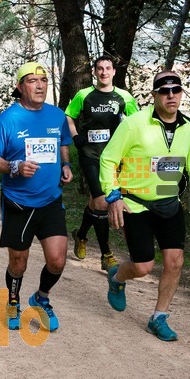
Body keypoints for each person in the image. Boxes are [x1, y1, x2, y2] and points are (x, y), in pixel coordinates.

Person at [99, 71, 190, 341]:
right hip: (135, 205)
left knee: (175, 262)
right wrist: (113, 195)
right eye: (165, 91)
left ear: (181, 93)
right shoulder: (133, 124)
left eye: (176, 90)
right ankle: (117, 277)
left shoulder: (188, 127)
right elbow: (108, 159)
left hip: (168, 203)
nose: (171, 95)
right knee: (143, 267)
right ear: (154, 95)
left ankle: (158, 317)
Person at [0, 62, 73, 332]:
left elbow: (63, 144)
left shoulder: (57, 116)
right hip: (18, 202)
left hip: (50, 200)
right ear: (20, 87)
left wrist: (66, 165)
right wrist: (14, 167)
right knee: (18, 262)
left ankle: (41, 298)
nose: (40, 85)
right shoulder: (8, 119)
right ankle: (13, 301)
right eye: (33, 80)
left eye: (44, 80)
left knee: (57, 261)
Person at [66, 55, 138, 272]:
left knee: (95, 202)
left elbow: (137, 123)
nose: (104, 72)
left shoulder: (124, 97)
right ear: (95, 72)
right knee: (102, 202)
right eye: (100, 69)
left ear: (114, 72)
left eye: (108, 68)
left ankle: (80, 234)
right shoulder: (84, 95)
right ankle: (106, 255)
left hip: (115, 158)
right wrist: (75, 136)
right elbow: (68, 116)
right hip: (90, 155)